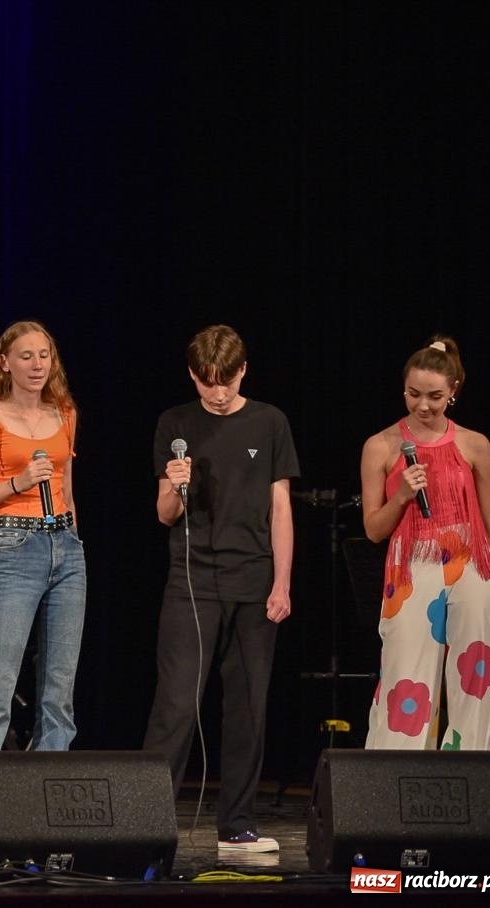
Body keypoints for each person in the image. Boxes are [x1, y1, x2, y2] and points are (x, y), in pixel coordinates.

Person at [142, 325, 297, 854]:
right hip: (192, 582)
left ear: (243, 371)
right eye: (208, 382)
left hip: (254, 581)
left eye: (227, 381)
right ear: (193, 375)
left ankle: (237, 824)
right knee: (177, 704)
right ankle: (147, 821)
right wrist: (178, 484)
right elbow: (164, 513)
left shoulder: (270, 421)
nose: (219, 392)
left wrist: (282, 582)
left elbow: (281, 506)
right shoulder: (175, 423)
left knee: (248, 707)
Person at [0, 320, 86, 755]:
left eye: (44, 355)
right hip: (14, 546)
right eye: (26, 356)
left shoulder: (65, 413)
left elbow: (67, 489)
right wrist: (18, 482)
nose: (37, 364)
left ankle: (48, 801)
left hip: (65, 547)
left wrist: (73, 541)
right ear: (4, 363)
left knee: (59, 694)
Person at [360, 338, 490, 750]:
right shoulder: (381, 446)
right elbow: (373, 528)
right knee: (407, 676)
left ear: (454, 391)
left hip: (472, 561)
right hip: (413, 565)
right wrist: (402, 495)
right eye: (414, 394)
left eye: (435, 396)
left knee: (477, 679)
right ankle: (395, 786)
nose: (423, 405)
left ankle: (473, 777)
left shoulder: (475, 444)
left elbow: (488, 518)